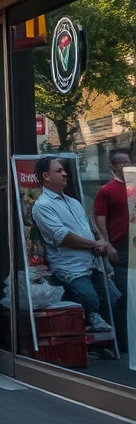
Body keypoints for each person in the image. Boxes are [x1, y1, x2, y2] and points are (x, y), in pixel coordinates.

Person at [31, 156, 119, 335]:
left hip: (91, 264)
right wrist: (94, 244)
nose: (65, 174)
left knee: (113, 297)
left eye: (64, 170)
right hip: (70, 267)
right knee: (90, 299)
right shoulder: (42, 206)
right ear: (46, 176)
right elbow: (63, 236)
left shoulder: (73, 202)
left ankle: (94, 334)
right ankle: (85, 327)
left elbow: (89, 225)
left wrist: (101, 240)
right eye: (59, 171)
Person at [95, 150, 131, 350]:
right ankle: (123, 341)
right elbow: (99, 219)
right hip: (120, 248)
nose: (126, 165)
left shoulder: (134, 187)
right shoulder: (106, 191)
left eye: (128, 161)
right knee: (124, 294)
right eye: (122, 162)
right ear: (113, 167)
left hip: (133, 245)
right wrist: (108, 244)